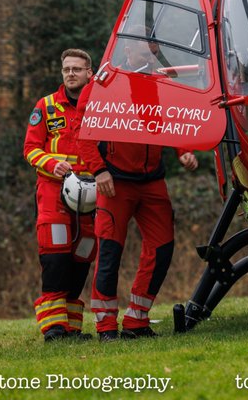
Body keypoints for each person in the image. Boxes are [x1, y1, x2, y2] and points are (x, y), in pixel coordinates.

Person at [81, 99, 199, 341]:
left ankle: (137, 321)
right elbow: (84, 132)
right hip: (114, 182)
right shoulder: (104, 84)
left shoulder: (159, 84)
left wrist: (184, 150)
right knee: (109, 253)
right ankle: (106, 327)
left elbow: (174, 118)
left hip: (152, 181)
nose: (151, 57)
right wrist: (99, 170)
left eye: (154, 55)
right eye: (146, 55)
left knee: (162, 248)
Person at [23, 48, 98, 341]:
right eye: (66, 69)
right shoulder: (46, 106)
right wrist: (53, 165)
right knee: (55, 255)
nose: (70, 74)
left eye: (77, 69)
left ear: (89, 73)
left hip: (91, 195)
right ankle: (54, 328)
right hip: (54, 191)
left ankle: (72, 326)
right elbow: (30, 149)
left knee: (83, 254)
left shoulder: (98, 106)